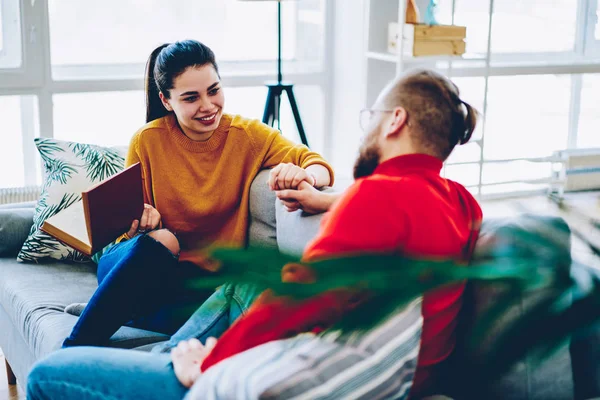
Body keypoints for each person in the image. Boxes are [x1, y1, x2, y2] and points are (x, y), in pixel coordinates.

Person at [28, 69, 482, 400]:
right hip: (407, 374)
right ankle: (167, 353)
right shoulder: (461, 202)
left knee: (47, 375)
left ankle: (171, 363)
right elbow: (412, 217)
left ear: (395, 121)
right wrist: (330, 201)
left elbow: (298, 298)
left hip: (298, 377)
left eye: (371, 116)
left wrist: (209, 365)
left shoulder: (379, 197)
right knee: (241, 284)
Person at [61, 39, 334, 348]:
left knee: (229, 306)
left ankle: (116, 311)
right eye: (191, 98)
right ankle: (75, 345)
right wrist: (141, 224)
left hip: (196, 288)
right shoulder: (147, 141)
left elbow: (317, 163)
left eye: (214, 90)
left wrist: (305, 175)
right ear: (166, 100)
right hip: (139, 267)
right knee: (165, 240)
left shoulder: (247, 136)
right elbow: (129, 233)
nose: (207, 106)